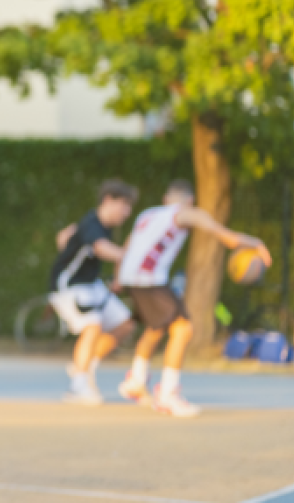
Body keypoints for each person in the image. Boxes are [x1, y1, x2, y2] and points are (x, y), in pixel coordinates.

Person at [116, 179, 270, 417]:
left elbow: (127, 248)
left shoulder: (146, 215)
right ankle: (167, 394)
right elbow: (225, 236)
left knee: (156, 328)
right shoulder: (185, 213)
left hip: (132, 277)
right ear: (190, 200)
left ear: (166, 198)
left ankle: (135, 380)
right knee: (183, 328)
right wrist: (256, 243)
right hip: (149, 279)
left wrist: (118, 277)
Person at [48, 180, 138, 405]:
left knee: (126, 323)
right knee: (92, 325)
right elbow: (100, 248)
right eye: (124, 205)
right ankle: (78, 387)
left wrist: (119, 279)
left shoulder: (104, 227)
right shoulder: (92, 222)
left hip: (92, 285)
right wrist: (127, 258)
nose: (127, 212)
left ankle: (84, 366)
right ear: (108, 200)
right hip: (69, 286)